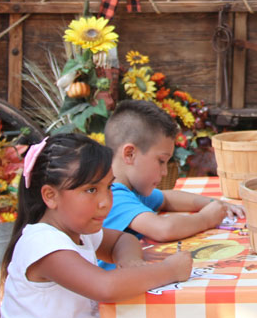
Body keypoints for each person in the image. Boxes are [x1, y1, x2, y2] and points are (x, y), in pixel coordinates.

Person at [0, 134, 192, 318]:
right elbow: (105, 286)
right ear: (50, 196)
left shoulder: (79, 232)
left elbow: (121, 240)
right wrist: (170, 270)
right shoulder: (43, 244)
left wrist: (130, 263)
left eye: (108, 187)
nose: (105, 201)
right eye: (91, 190)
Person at [101, 101, 244, 258]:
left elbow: (167, 198)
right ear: (129, 154)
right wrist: (205, 219)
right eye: (161, 161)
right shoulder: (111, 196)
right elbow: (164, 229)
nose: (164, 172)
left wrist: (216, 204)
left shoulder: (132, 190)